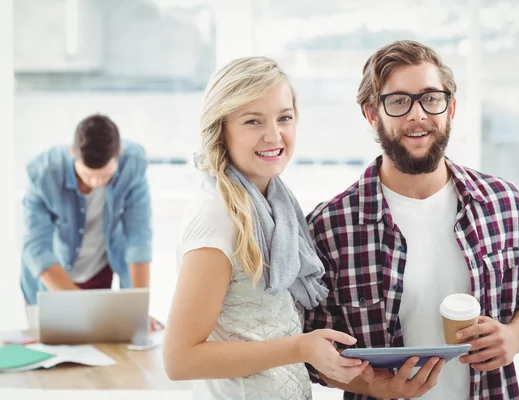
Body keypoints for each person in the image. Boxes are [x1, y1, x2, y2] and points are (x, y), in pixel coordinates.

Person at [304, 40, 519, 400]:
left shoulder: (503, 202)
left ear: (450, 107)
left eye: (431, 98)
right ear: (372, 114)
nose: (417, 114)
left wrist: (515, 337)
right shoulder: (330, 227)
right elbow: (313, 349)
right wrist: (374, 385)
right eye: (398, 101)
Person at [162, 56, 369, 400]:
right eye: (253, 121)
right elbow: (178, 359)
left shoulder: (275, 206)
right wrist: (300, 348)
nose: (274, 135)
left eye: (284, 118)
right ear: (221, 128)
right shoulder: (218, 217)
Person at [20, 114, 161, 330]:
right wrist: (84, 308)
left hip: (99, 270)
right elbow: (37, 250)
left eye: (104, 177)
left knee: (102, 347)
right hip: (54, 277)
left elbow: (139, 238)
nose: (96, 182)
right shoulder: (43, 173)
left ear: (119, 153)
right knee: (53, 345)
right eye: (87, 175)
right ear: (72, 153)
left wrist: (138, 311)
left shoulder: (133, 164)